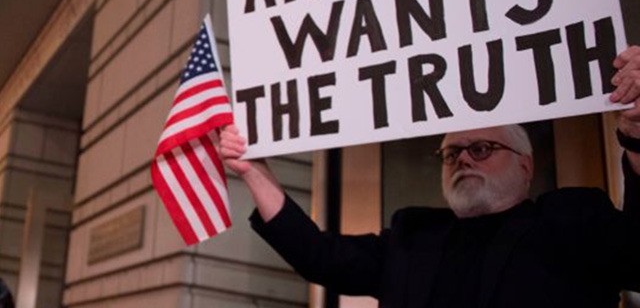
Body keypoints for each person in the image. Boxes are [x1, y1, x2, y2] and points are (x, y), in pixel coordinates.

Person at [220, 46, 640, 308]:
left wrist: (637, 137)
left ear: (525, 165)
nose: (462, 161)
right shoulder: (412, 236)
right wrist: (253, 171)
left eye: (480, 149)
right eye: (451, 153)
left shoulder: (573, 220)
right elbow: (319, 255)